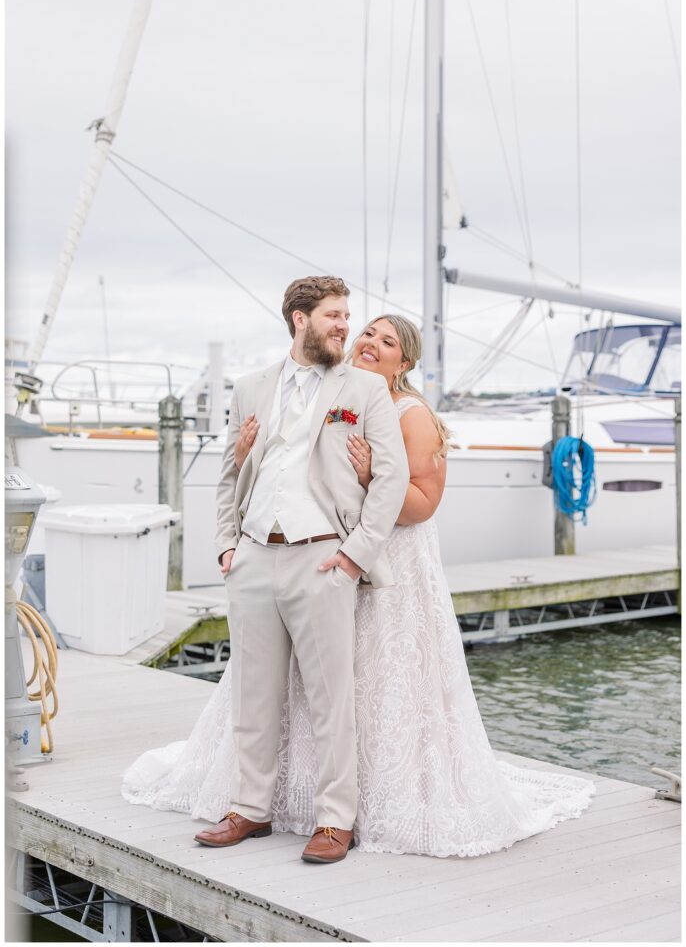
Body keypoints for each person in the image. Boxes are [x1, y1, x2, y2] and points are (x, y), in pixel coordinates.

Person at [122, 313, 595, 859]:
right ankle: (269, 802)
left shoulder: (411, 414)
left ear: (406, 361)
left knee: (371, 685)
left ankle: (351, 813)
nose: (371, 342)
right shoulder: (331, 392)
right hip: (316, 558)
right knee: (298, 684)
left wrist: (374, 481)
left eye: (387, 341)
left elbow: (422, 505)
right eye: (367, 333)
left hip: (389, 565)